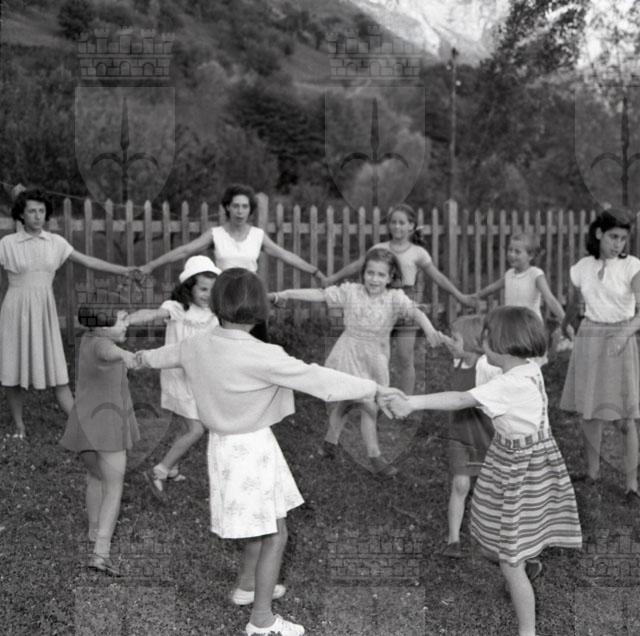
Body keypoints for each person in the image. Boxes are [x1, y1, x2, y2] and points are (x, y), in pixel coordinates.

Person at [135, 268, 403, 636]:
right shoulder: (263, 354)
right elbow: (319, 379)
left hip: (225, 448)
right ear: (260, 309)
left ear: (216, 304)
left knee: (261, 525)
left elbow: (159, 356)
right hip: (252, 448)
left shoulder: (196, 344)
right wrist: (373, 388)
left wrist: (133, 357)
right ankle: (261, 620)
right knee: (275, 534)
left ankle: (247, 586)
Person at [385, 306, 582, 636]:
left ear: (504, 345)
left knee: (510, 562)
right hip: (520, 461)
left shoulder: (509, 385)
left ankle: (528, 629)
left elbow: (460, 399)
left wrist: (412, 402)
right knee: (506, 534)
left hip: (521, 468)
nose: (482, 342)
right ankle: (523, 558)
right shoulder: (527, 368)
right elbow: (480, 366)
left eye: (487, 337)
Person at [270, 247, 444, 476]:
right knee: (367, 404)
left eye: (381, 275)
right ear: (363, 273)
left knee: (349, 403)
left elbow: (417, 313)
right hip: (348, 355)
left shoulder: (394, 298)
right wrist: (287, 293)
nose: (374, 279)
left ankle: (329, 444)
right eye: (370, 273)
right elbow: (321, 294)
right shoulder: (351, 292)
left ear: (390, 277)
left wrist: (430, 330)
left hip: (375, 359)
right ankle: (375, 457)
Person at [0, 187, 135, 439]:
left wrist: (123, 270)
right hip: (15, 310)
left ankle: (81, 426)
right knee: (12, 369)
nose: (37, 216)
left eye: (41, 211)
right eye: (32, 211)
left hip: (44, 310)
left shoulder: (56, 243)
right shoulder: (7, 244)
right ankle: (19, 426)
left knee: (58, 372)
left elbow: (89, 261)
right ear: (21, 214)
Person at [323, 203, 475, 393]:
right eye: (393, 222)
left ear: (411, 225)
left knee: (405, 357)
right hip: (379, 303)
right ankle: (370, 393)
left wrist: (460, 296)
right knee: (375, 354)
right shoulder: (379, 249)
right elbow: (357, 266)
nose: (397, 226)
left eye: (402, 223)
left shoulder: (418, 252)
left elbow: (438, 277)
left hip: (404, 304)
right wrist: (332, 278)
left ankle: (406, 400)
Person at [560, 208, 640, 503]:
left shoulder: (632, 266)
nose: (618, 244)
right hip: (590, 338)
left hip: (621, 338)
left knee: (626, 417)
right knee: (589, 411)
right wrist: (564, 326)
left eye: (623, 238)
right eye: (613, 237)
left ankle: (632, 485)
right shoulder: (582, 267)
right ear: (598, 234)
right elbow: (573, 305)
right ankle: (592, 473)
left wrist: (624, 333)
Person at [127, 255, 220, 502]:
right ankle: (159, 471)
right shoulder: (177, 309)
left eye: (212, 290)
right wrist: (128, 319)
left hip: (199, 378)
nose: (207, 295)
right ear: (189, 287)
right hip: (178, 377)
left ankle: (173, 468)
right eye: (203, 289)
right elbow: (152, 314)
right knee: (196, 429)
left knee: (186, 425)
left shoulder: (214, 313)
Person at [59, 307, 139, 576]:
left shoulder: (88, 338)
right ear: (103, 326)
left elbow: (104, 348)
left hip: (85, 424)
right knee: (113, 487)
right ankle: (101, 552)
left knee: (95, 477)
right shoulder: (104, 345)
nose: (127, 324)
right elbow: (109, 351)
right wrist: (125, 355)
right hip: (108, 427)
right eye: (121, 320)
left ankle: (94, 530)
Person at [139, 183, 327, 284]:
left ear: (250, 210)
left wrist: (315, 271)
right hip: (222, 292)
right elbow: (184, 250)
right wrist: (151, 265)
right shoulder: (215, 234)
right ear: (228, 207)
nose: (240, 211)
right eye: (236, 206)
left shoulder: (258, 235)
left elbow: (286, 255)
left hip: (250, 292)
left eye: (245, 206)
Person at [438, 315, 499, 558]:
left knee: (490, 487)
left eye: (455, 339)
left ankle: (493, 535)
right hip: (459, 435)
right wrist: (440, 336)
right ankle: (453, 539)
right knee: (460, 484)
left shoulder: (486, 367)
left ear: (473, 343)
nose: (451, 343)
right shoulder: (458, 361)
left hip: (485, 436)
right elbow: (449, 343)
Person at [474, 231, 574, 356]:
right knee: (512, 358)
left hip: (530, 328)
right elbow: (491, 288)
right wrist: (475, 296)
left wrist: (566, 323)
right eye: (510, 250)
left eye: (517, 252)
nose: (512, 254)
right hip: (511, 327)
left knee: (530, 359)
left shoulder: (535, 274)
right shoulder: (509, 274)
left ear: (530, 256)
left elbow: (550, 299)